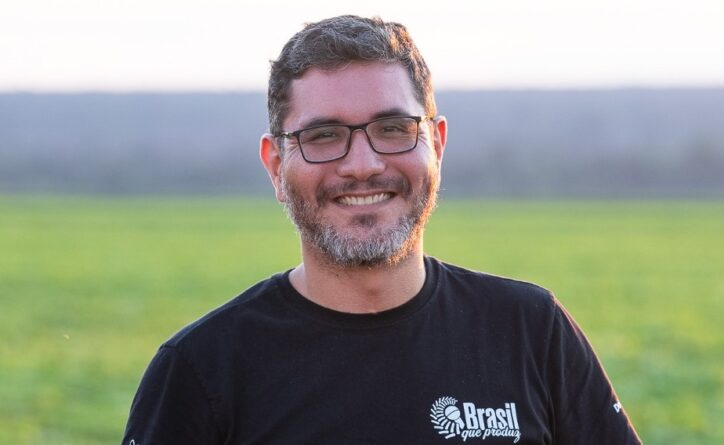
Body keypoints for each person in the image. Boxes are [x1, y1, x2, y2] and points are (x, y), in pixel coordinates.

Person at [122, 15, 641, 444]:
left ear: (437, 145)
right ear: (276, 166)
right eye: (324, 136)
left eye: (393, 129)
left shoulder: (531, 331)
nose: (363, 165)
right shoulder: (201, 371)